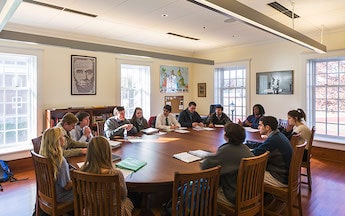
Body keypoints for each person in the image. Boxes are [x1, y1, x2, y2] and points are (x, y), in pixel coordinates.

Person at [200, 123, 254, 205]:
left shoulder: (226, 150)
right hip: (250, 192)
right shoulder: (245, 148)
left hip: (234, 195)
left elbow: (205, 166)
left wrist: (211, 155)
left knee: (202, 191)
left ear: (227, 135)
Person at [80, 136, 134, 215]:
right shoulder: (116, 174)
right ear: (108, 152)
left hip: (91, 211)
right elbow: (123, 195)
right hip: (113, 212)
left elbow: (80, 192)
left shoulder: (82, 171)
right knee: (129, 201)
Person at [251, 116, 292, 187]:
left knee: (247, 173)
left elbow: (255, 154)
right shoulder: (278, 135)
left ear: (267, 127)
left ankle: (259, 197)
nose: (258, 127)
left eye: (260, 125)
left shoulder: (273, 140)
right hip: (286, 174)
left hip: (280, 178)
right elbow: (262, 147)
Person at [39, 127, 73, 203]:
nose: (64, 138)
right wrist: (78, 179)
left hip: (48, 192)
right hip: (61, 197)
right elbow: (66, 186)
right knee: (86, 190)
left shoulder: (43, 155)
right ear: (58, 141)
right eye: (63, 136)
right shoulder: (61, 161)